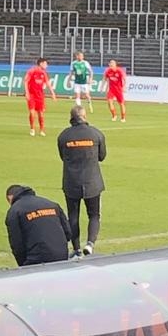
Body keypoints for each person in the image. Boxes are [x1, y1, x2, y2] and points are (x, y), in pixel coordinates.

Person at [57, 106, 107, 257]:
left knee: (73, 216)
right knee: (94, 215)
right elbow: (102, 156)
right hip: (92, 181)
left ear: (71, 117)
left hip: (71, 181)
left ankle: (77, 249)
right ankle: (90, 244)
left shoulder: (64, 136)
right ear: (85, 116)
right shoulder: (96, 134)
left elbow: (62, 156)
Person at [4, 184, 72, 266]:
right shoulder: (52, 204)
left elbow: (17, 243)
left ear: (10, 197)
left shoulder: (14, 211)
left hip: (35, 259)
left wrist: (23, 265)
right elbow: (68, 233)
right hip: (61, 256)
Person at [24, 57, 56, 136]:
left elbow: (48, 83)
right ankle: (32, 129)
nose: (47, 66)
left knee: (41, 114)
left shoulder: (44, 73)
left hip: (40, 95)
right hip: (32, 94)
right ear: (41, 63)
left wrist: (53, 93)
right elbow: (26, 81)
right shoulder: (32, 71)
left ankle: (41, 130)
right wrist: (27, 92)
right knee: (32, 112)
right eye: (46, 64)